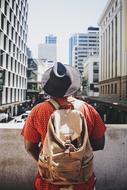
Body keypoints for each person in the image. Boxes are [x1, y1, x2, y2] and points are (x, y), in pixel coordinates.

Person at [21, 62, 106, 190]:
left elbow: (29, 147)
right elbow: (100, 144)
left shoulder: (38, 111)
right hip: (82, 182)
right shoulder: (88, 109)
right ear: (71, 85)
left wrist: (52, 161)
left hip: (49, 183)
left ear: (50, 86)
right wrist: (76, 156)